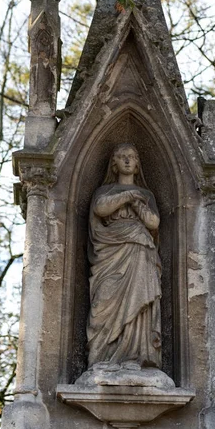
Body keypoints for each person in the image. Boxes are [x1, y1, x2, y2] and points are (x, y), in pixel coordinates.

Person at [86, 143, 162, 372]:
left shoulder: (146, 195)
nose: (127, 160)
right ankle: (101, 359)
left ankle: (134, 357)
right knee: (103, 302)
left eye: (132, 157)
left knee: (139, 302)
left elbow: (153, 223)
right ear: (114, 163)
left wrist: (137, 202)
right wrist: (128, 195)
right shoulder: (105, 191)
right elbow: (100, 209)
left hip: (140, 252)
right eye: (122, 157)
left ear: (137, 164)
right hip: (110, 256)